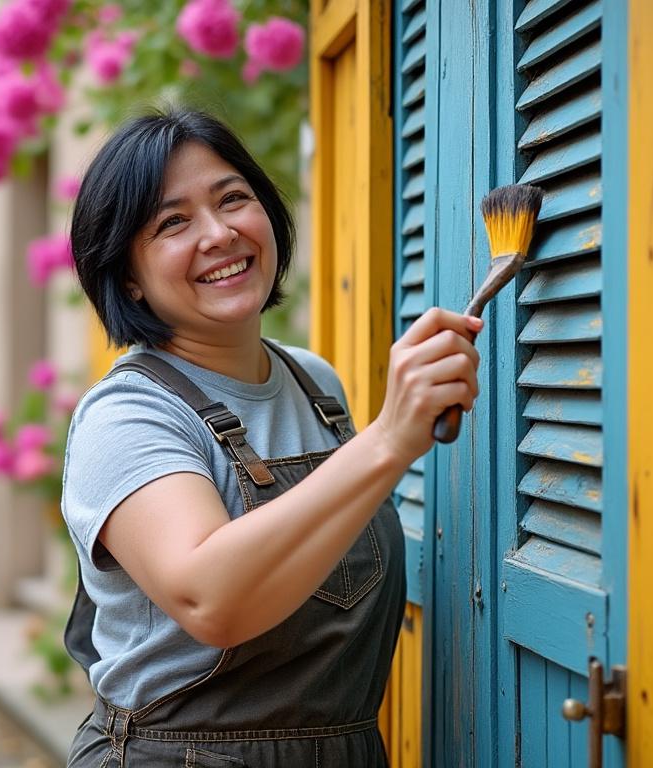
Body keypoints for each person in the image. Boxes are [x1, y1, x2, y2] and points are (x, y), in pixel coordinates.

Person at [61, 109, 482, 767]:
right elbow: (210, 598)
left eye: (234, 199)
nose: (220, 233)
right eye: (173, 222)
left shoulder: (314, 385)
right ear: (129, 276)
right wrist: (388, 442)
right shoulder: (127, 415)